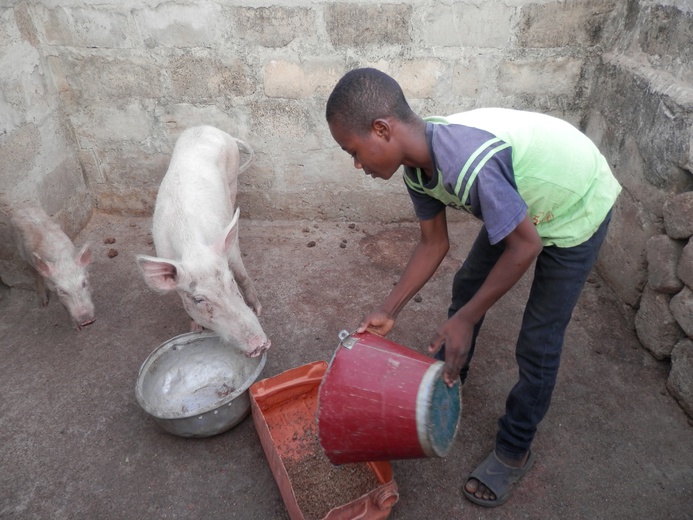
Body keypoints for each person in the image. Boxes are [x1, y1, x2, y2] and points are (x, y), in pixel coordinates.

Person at [325, 67, 621, 508]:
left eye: (353, 151)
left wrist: (464, 319)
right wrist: (390, 308)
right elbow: (434, 243)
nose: (357, 165)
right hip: (524, 204)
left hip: (574, 201)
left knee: (539, 338)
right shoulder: (417, 167)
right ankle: (447, 378)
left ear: (382, 129)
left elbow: (525, 247)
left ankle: (514, 449)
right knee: (469, 284)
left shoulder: (467, 161)